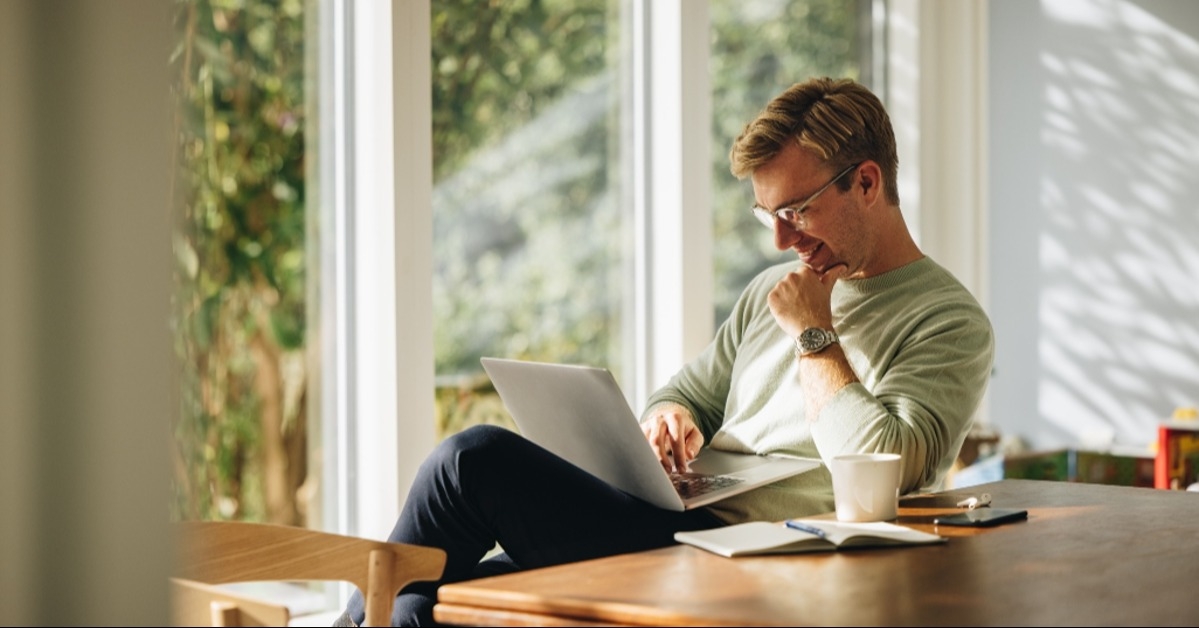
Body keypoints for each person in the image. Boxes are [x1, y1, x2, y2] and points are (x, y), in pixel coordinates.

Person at [334, 76, 994, 627]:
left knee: (470, 459)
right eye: (768, 216)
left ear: (867, 183)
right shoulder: (771, 290)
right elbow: (688, 393)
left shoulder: (948, 321)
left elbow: (893, 468)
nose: (779, 243)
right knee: (420, 605)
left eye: (796, 210)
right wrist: (668, 416)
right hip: (669, 519)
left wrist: (813, 335)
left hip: (757, 554)